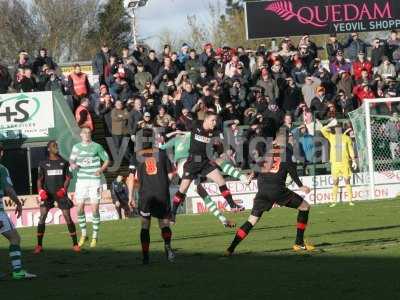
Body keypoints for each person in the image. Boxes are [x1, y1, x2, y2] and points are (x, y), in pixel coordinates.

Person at [225, 128, 314, 255]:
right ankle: (299, 243)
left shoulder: (269, 149)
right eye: (291, 136)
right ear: (285, 137)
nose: (292, 139)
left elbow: (260, 162)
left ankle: (230, 249)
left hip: (263, 188)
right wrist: (300, 186)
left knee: (251, 220)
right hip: (277, 189)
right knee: (305, 207)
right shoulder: (286, 151)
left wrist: (251, 175)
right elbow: (291, 169)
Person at [159, 131, 247, 227]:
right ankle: (242, 180)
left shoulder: (176, 139)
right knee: (217, 163)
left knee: (201, 193)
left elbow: (161, 146)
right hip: (191, 162)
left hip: (184, 165)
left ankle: (223, 219)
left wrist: (175, 132)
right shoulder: (189, 135)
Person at [171, 111, 244, 223]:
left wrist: (221, 150)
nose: (214, 123)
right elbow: (180, 117)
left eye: (215, 120)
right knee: (183, 189)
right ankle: (173, 214)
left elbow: (219, 149)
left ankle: (232, 205)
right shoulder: (195, 124)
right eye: (212, 120)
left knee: (221, 180)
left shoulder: (215, 132)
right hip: (193, 162)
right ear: (205, 120)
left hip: (205, 161)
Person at [127, 128, 175, 265]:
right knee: (164, 223)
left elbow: (131, 178)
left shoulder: (136, 156)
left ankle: (146, 257)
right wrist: (164, 184)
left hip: (145, 194)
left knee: (145, 224)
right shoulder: (161, 153)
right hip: (161, 193)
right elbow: (171, 174)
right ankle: (168, 247)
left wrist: (130, 196)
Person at [34, 141, 80, 254]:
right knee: (42, 217)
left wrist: (64, 189)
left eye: (57, 146)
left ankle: (75, 244)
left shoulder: (64, 162)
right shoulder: (43, 163)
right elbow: (39, 180)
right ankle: (39, 246)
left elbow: (68, 178)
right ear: (49, 149)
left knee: (67, 217)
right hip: (47, 194)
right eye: (54, 146)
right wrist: (40, 191)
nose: (56, 148)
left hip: (60, 193)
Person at [0, 143, 37, 279]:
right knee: (14, 238)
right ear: (2, 153)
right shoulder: (2, 169)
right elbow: (8, 189)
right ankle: (17, 271)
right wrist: (18, 203)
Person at [69, 128, 110, 248]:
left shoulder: (97, 146)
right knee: (79, 208)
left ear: (90, 134)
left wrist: (101, 170)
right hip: (81, 181)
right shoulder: (76, 147)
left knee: (95, 208)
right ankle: (84, 234)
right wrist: (73, 164)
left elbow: (107, 160)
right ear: (81, 135)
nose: (86, 135)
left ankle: (95, 236)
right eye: (84, 133)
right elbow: (71, 160)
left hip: (94, 181)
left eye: (88, 133)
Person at [321, 119, 357, 207]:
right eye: (336, 128)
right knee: (335, 182)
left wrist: (354, 161)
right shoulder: (332, 137)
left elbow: (351, 150)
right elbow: (322, 130)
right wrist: (329, 124)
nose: (337, 130)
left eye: (339, 128)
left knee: (347, 181)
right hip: (335, 163)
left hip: (344, 162)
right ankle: (334, 201)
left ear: (341, 129)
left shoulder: (346, 138)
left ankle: (350, 200)